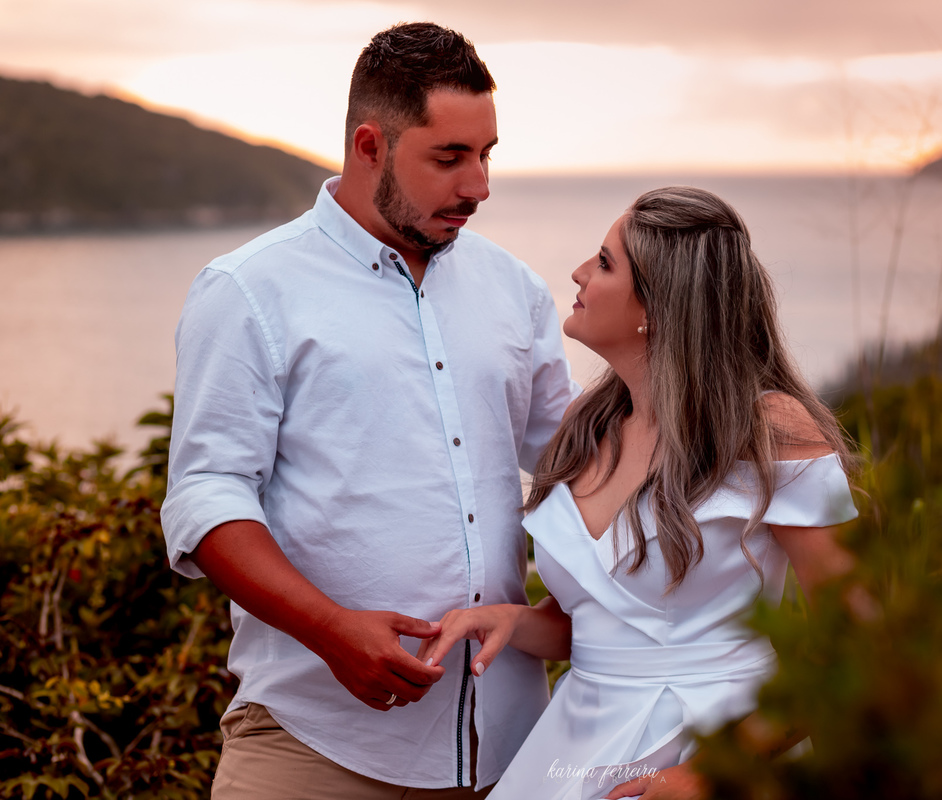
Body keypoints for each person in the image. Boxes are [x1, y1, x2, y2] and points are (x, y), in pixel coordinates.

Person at [160, 22, 575, 800]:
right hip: (312, 744)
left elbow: (581, 463)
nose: (478, 186)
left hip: (509, 749)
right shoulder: (248, 289)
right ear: (369, 146)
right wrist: (329, 629)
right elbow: (206, 495)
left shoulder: (515, 289)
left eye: (486, 155)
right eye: (449, 158)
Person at [418, 186, 861, 799]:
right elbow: (603, 625)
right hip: (574, 744)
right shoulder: (586, 427)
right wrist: (513, 621)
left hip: (719, 748)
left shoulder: (769, 430)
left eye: (604, 263)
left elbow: (856, 635)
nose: (578, 273)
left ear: (659, 305)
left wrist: (707, 773)